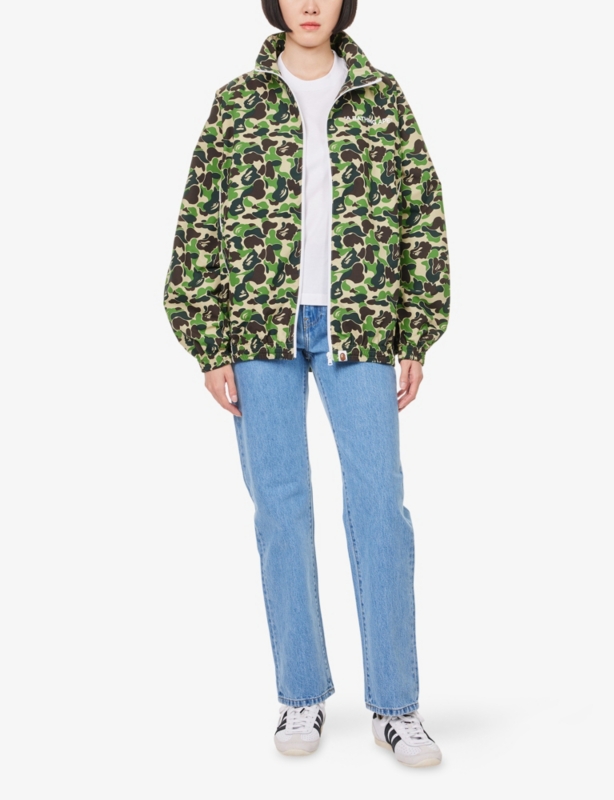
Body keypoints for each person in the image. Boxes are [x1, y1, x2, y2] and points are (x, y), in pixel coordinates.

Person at [163, 0, 450, 768]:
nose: (311, 3)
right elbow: (198, 221)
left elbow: (422, 213)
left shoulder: (381, 96)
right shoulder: (237, 101)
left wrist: (415, 330)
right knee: (281, 509)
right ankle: (301, 693)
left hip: (361, 323)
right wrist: (209, 343)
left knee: (379, 506)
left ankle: (397, 705)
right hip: (258, 328)